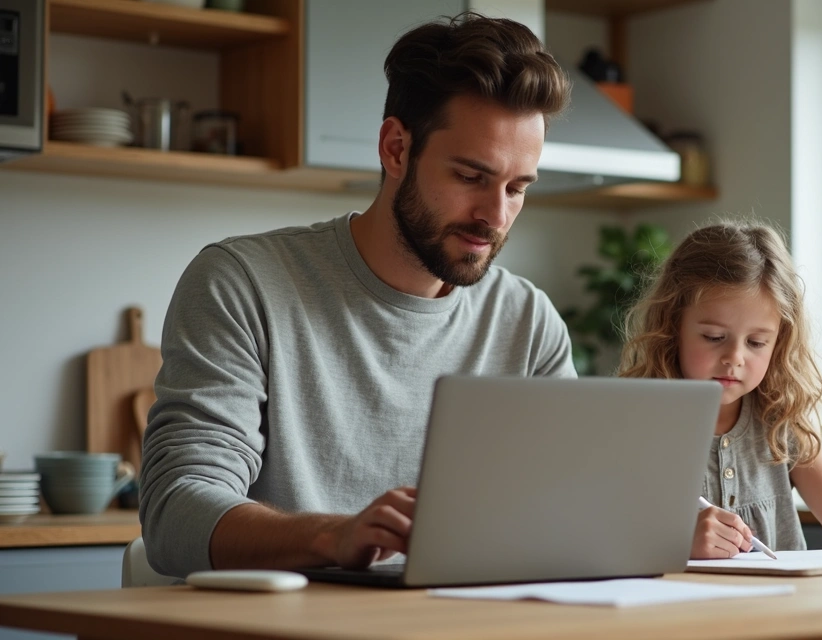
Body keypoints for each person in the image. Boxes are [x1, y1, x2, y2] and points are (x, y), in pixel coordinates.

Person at [140, 13, 575, 578]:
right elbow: (175, 513)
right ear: (396, 148)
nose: (496, 216)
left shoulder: (526, 321)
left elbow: (567, 500)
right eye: (471, 176)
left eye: (517, 188)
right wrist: (334, 535)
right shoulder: (242, 283)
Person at [619, 221, 822, 560]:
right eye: (713, 337)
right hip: (683, 611)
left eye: (756, 342)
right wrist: (677, 542)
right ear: (672, 327)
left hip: (781, 609)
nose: (734, 358)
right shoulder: (637, 424)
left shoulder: (778, 418)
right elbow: (608, 535)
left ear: (779, 343)